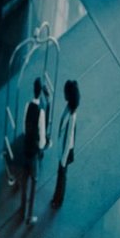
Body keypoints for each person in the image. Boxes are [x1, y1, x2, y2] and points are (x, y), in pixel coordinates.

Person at [20, 76, 48, 226]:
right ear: (41, 93)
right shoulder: (41, 112)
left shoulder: (27, 106)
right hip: (34, 153)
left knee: (24, 180)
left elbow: (24, 128)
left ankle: (22, 209)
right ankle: (29, 216)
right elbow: (42, 139)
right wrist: (42, 147)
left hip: (26, 149)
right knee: (34, 181)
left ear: (33, 90)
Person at [50, 79, 80, 208]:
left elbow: (69, 139)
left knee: (62, 175)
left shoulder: (72, 115)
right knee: (60, 174)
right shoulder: (69, 107)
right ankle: (56, 197)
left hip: (65, 152)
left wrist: (63, 159)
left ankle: (58, 200)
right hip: (62, 149)